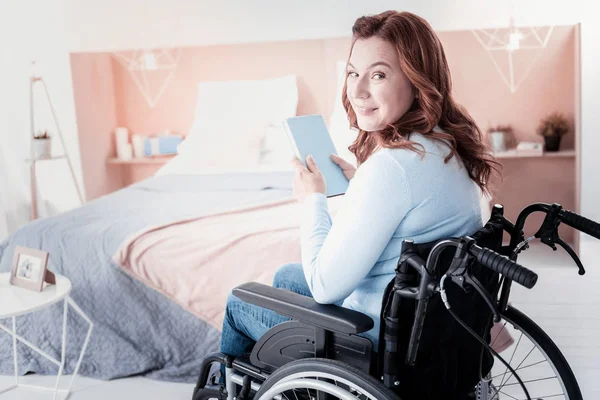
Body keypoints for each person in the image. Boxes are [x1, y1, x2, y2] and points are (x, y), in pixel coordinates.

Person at [219, 10, 499, 358]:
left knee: (238, 301)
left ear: (417, 80)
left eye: (378, 75)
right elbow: (411, 209)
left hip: (376, 339)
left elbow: (324, 287)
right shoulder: (447, 147)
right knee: (286, 275)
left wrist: (313, 200)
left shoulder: (392, 167)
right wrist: (360, 188)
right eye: (353, 73)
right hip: (426, 322)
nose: (358, 90)